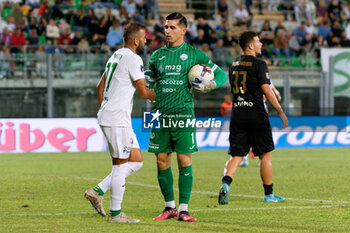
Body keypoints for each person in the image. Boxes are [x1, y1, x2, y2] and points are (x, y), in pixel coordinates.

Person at [146, 12, 227, 222]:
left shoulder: (195, 55)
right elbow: (147, 84)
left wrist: (210, 85)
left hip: (183, 113)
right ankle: (169, 207)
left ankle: (184, 209)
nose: (167, 31)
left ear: (184, 30)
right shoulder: (156, 56)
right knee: (162, 160)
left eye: (172, 27)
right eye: (166, 27)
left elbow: (222, 75)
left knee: (184, 160)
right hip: (159, 114)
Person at [84, 23, 156, 223]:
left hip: (116, 117)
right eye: (143, 38)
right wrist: (157, 94)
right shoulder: (134, 58)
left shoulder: (115, 56)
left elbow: (100, 86)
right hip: (116, 118)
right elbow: (143, 93)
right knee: (119, 165)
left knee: (136, 161)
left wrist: (106, 108)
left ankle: (97, 191)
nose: (145, 41)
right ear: (135, 40)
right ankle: (116, 214)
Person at [218, 31, 288, 205]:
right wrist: (280, 111)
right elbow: (266, 90)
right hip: (256, 114)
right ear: (250, 45)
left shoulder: (233, 64)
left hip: (238, 114)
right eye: (258, 42)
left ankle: (226, 183)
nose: (261, 44)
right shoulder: (259, 64)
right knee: (265, 155)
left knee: (237, 155)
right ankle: (269, 194)